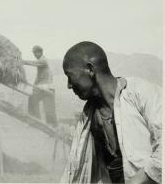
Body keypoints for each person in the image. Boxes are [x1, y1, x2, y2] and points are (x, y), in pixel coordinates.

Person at [60, 41, 161, 183]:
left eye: (70, 76)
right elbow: (78, 170)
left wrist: (141, 179)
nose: (69, 85)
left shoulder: (142, 93)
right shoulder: (89, 116)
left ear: (90, 69)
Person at [23, 45, 57, 127]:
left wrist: (23, 61)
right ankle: (36, 120)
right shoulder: (40, 63)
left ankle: (53, 125)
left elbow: (33, 63)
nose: (34, 55)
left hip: (48, 88)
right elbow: (38, 77)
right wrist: (33, 85)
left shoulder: (43, 60)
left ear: (40, 52)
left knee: (49, 108)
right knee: (32, 99)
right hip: (42, 88)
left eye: (35, 53)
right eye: (34, 53)